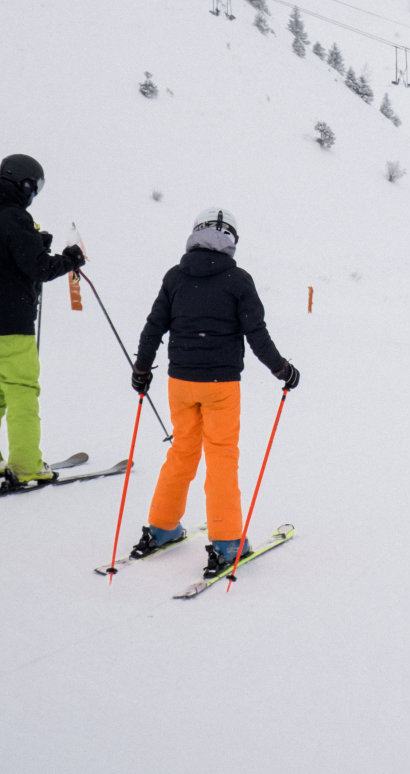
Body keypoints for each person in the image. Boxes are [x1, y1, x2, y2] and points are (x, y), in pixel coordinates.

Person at [130, 207, 300, 579]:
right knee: (221, 458)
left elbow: (154, 326)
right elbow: (256, 334)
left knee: (182, 452)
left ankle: (160, 527)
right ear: (232, 241)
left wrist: (142, 369)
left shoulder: (176, 277)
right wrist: (282, 370)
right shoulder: (237, 280)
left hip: (181, 383)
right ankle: (226, 544)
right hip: (221, 386)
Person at [0, 154, 84, 487]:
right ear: (25, 183)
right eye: (34, 186)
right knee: (22, 390)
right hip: (7, 322)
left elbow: (0, 256)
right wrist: (69, 260)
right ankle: (26, 465)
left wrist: (37, 245)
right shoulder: (14, 216)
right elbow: (38, 268)